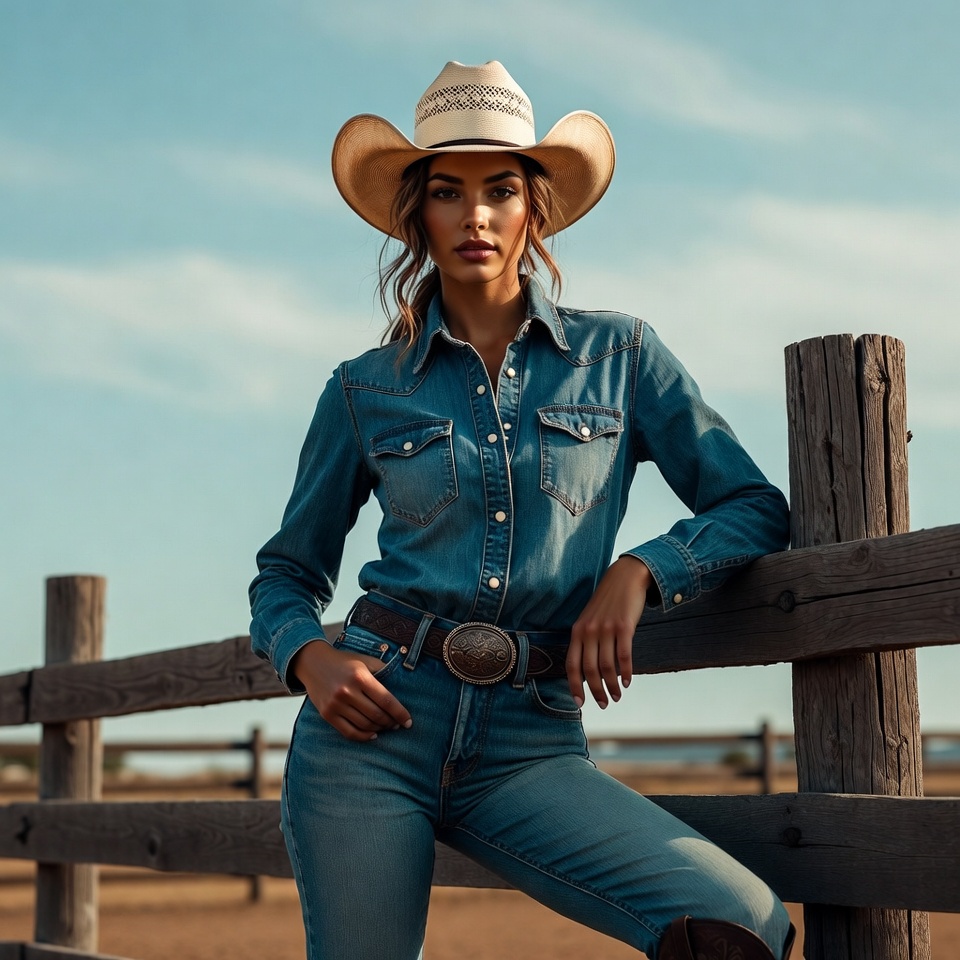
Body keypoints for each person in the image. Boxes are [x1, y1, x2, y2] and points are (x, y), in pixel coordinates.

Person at [249, 60, 797, 960]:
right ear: (417, 216)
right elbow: (286, 572)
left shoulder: (621, 355)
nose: (474, 216)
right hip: (373, 729)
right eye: (447, 192)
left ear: (532, 211)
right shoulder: (363, 389)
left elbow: (750, 505)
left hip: (530, 738)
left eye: (500, 190)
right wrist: (307, 656)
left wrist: (641, 570)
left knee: (741, 924)